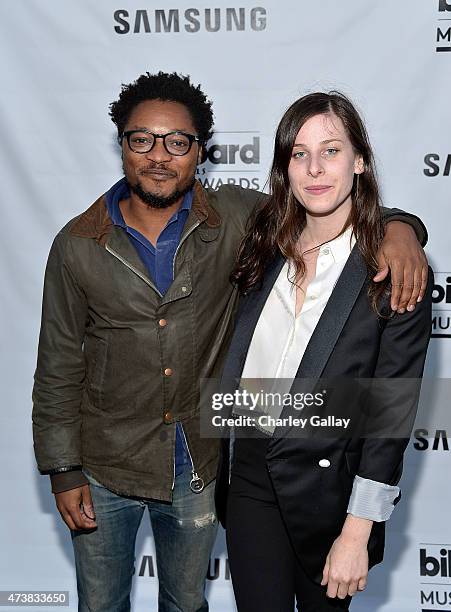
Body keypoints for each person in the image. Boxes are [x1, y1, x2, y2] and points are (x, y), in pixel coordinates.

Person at [32, 72, 428, 612]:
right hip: (124, 464)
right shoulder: (82, 243)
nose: (159, 155)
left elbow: (388, 415)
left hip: (207, 462)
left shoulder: (241, 222)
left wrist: (402, 228)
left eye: (178, 142)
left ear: (200, 152)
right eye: (142, 139)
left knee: (187, 603)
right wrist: (62, 468)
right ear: (122, 145)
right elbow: (56, 366)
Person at [215, 91, 433, 611]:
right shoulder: (262, 242)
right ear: (284, 166)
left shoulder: (394, 270)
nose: (315, 168)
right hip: (247, 471)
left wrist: (358, 533)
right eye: (299, 153)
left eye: (331, 151)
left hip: (331, 490)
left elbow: (389, 415)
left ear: (360, 160)